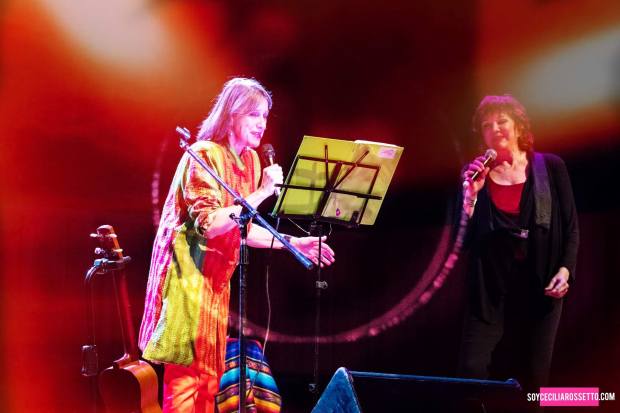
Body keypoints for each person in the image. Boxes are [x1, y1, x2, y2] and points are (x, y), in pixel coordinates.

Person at [138, 77, 335, 413]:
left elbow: (241, 228)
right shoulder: (203, 155)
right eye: (253, 115)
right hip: (187, 283)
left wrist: (291, 243)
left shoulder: (252, 162)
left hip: (217, 286)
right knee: (185, 384)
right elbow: (212, 224)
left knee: (210, 383)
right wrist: (262, 193)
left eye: (265, 116)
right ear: (231, 115)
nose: (262, 124)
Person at [457, 95, 579, 394]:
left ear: (519, 126)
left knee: (535, 380)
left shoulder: (549, 167)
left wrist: (565, 270)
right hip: (491, 290)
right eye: (487, 125)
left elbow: (571, 227)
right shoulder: (477, 176)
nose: (495, 128)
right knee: (471, 370)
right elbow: (463, 242)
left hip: (540, 287)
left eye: (502, 121)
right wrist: (470, 198)